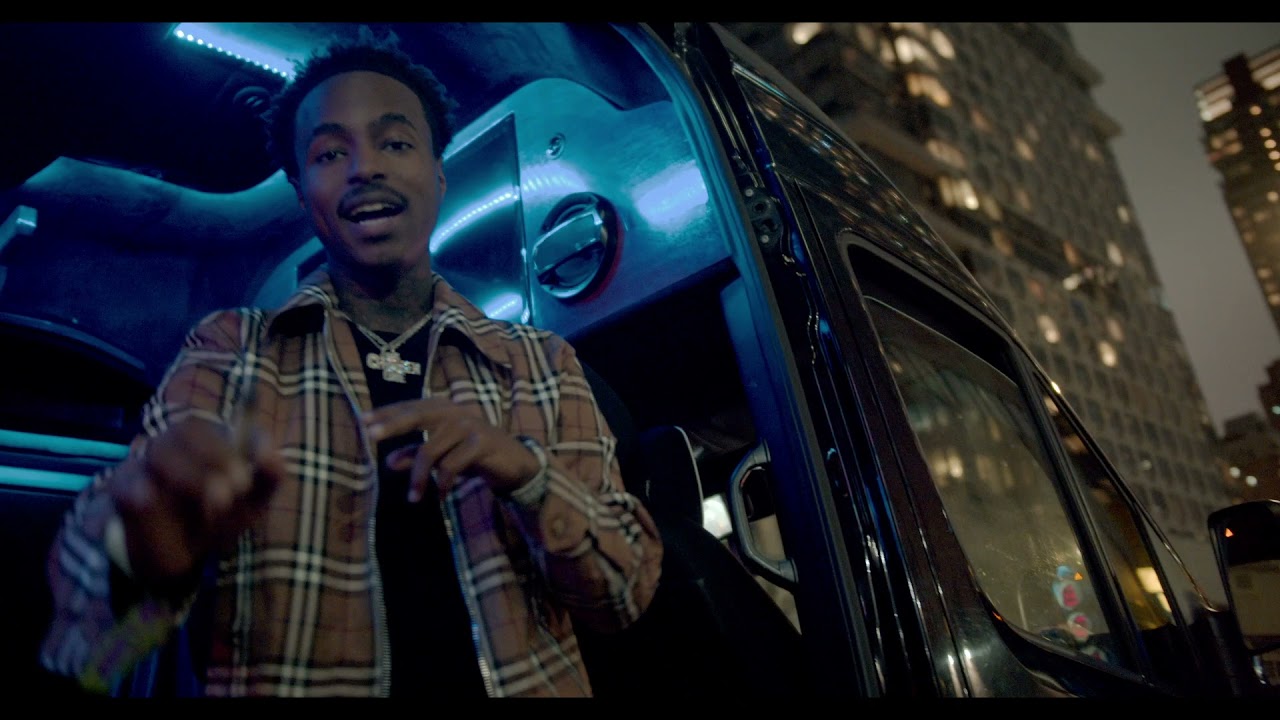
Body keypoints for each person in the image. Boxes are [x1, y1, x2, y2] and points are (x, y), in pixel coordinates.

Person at [39, 25, 663, 698]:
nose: (365, 167)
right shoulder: (229, 353)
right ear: (303, 191)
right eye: (330, 152)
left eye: (395, 143)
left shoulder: (541, 364)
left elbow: (623, 600)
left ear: (437, 174)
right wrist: (146, 552)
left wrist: (524, 474)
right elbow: (100, 654)